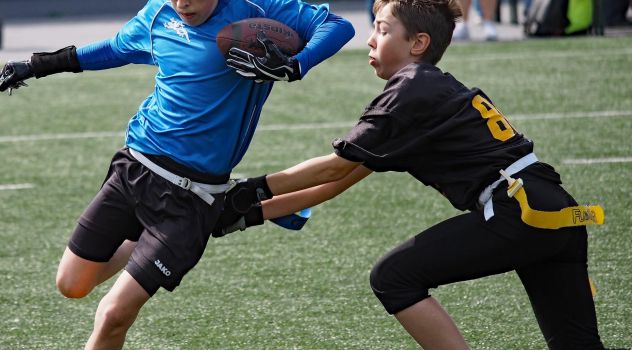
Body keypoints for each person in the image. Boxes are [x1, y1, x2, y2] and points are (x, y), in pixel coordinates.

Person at [214, 0, 607, 348]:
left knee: (393, 276)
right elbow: (337, 183)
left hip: (517, 211)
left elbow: (334, 166)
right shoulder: (427, 93)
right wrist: (251, 213)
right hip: (554, 212)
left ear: (418, 43)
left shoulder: (412, 89)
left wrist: (253, 188)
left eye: (382, 30)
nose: (370, 40)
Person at [0, 0, 354, 348]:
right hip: (135, 170)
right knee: (71, 284)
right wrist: (38, 64)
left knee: (112, 315)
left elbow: (339, 26)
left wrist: (294, 65)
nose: (182, 3)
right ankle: (141, 241)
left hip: (192, 202)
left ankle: (150, 240)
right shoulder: (158, 15)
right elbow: (116, 48)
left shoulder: (258, 9)